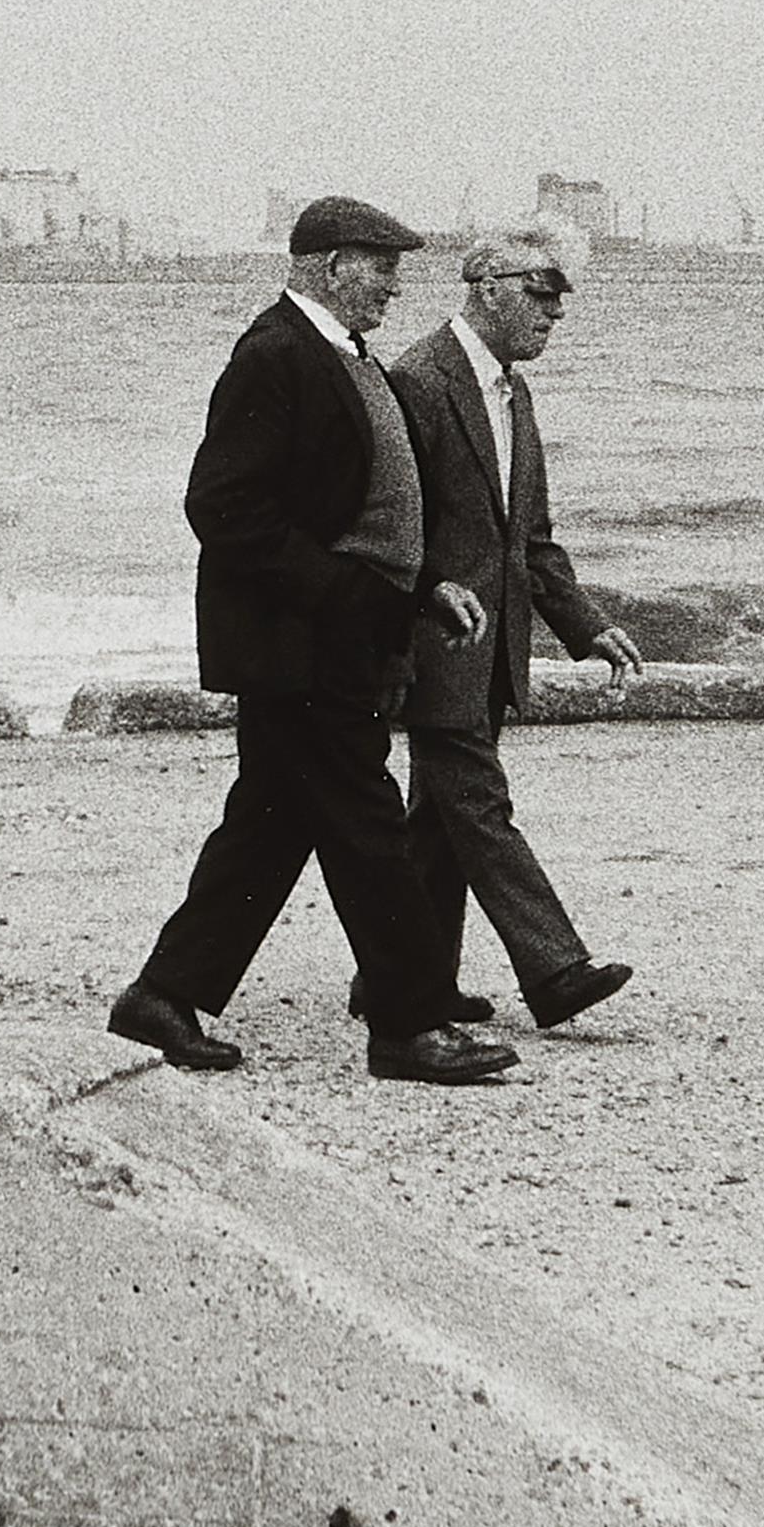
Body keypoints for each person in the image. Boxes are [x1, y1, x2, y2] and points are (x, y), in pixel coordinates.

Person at [107, 198, 518, 1086]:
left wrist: (416, 591)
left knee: (268, 824)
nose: (395, 286)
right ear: (331, 265)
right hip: (298, 645)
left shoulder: (341, 354)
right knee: (367, 825)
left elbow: (367, 506)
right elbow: (224, 509)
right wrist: (347, 597)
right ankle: (408, 1025)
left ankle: (164, 995)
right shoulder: (275, 356)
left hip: (339, 635)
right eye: (382, 267)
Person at [387, 232, 644, 1029]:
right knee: (477, 805)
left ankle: (400, 979)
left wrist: (584, 626)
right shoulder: (417, 379)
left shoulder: (512, 393)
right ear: (486, 286)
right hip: (436, 641)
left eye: (560, 296)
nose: (554, 312)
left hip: (491, 649)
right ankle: (555, 969)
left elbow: (527, 539)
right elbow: (391, 523)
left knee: (439, 820)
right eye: (540, 292)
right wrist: (429, 596)